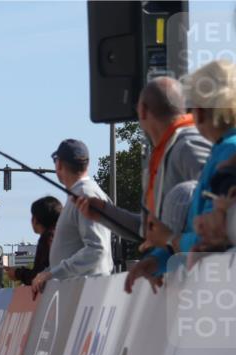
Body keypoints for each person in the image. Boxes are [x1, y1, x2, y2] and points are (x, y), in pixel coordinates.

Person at [128, 60, 236, 288]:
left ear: (203, 111)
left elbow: (213, 238)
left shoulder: (227, 153)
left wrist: (169, 240)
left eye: (193, 107)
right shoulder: (221, 150)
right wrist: (160, 259)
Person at [77, 76, 212, 247]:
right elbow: (148, 231)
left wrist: (172, 243)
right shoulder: (167, 151)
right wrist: (104, 212)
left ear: (142, 110)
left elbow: (219, 214)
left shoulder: (188, 146)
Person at [30, 140, 114, 295]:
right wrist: (49, 273)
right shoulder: (81, 194)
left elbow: (97, 249)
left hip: (88, 295)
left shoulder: (85, 195)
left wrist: (52, 274)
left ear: (59, 164)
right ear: (87, 165)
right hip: (81, 293)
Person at [5, 197, 61, 286]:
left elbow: (38, 276)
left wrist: (17, 273)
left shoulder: (47, 238)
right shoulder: (61, 236)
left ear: (35, 220)